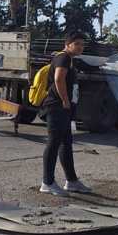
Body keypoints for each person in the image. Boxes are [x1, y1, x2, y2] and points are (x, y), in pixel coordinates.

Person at [40, 32, 92, 196]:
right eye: (77, 44)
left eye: (82, 45)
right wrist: (65, 101)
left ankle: (72, 181)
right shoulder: (63, 58)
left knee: (66, 144)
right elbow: (58, 79)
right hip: (57, 108)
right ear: (68, 44)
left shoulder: (67, 59)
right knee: (54, 144)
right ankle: (47, 183)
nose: (80, 47)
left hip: (64, 109)